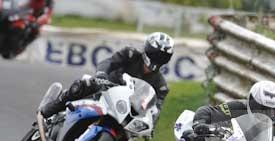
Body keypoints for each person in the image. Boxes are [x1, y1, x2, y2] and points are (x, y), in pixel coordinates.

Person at [40, 32, 174, 120]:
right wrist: (101, 74)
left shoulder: (161, 85)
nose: (158, 57)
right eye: (155, 53)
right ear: (147, 49)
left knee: (128, 138)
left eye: (162, 56)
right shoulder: (130, 54)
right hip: (105, 89)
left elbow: (156, 109)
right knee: (84, 84)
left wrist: (151, 124)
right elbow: (109, 62)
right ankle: (54, 106)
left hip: (125, 109)